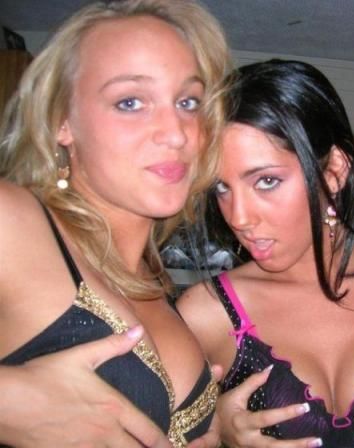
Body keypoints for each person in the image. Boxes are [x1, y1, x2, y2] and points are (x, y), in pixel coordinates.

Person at [177, 59, 354, 448]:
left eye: (266, 181)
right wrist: (213, 434)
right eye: (221, 188)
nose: (239, 217)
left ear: (334, 170)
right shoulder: (207, 312)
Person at [0, 0, 230, 446]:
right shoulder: (14, 221)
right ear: (61, 121)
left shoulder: (158, 288)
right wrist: (9, 402)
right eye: (130, 102)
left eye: (188, 102)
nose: (177, 133)